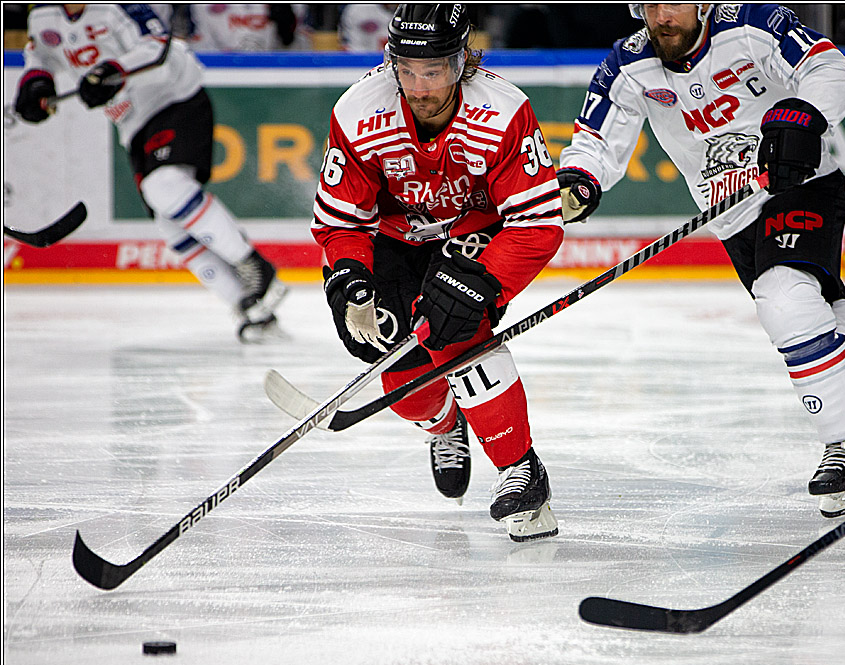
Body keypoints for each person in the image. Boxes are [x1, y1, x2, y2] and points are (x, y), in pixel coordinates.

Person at [557, 3, 845, 517]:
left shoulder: (751, 23)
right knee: (840, 334)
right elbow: (593, 140)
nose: (662, 15)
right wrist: (581, 178)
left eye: (673, 1)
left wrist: (803, 117)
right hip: (734, 220)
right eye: (650, 4)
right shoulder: (628, 62)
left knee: (785, 298)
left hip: (802, 188)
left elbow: (831, 68)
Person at [311, 4, 564, 541]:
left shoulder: (503, 110)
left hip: (476, 241)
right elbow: (340, 223)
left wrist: (486, 280)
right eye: (407, 70)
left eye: (435, 71)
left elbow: (538, 223)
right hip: (397, 244)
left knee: (457, 335)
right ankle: (447, 424)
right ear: (390, 61)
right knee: (399, 372)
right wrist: (349, 280)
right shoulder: (359, 111)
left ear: (463, 61)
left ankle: (523, 473)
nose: (421, 87)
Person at [14, 4, 287, 341]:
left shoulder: (121, 7)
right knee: (168, 223)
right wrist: (35, 86)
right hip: (131, 123)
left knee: (166, 187)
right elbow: (41, 57)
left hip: (174, 98)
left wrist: (111, 70)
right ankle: (252, 310)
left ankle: (258, 269)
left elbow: (158, 44)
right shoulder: (42, 15)